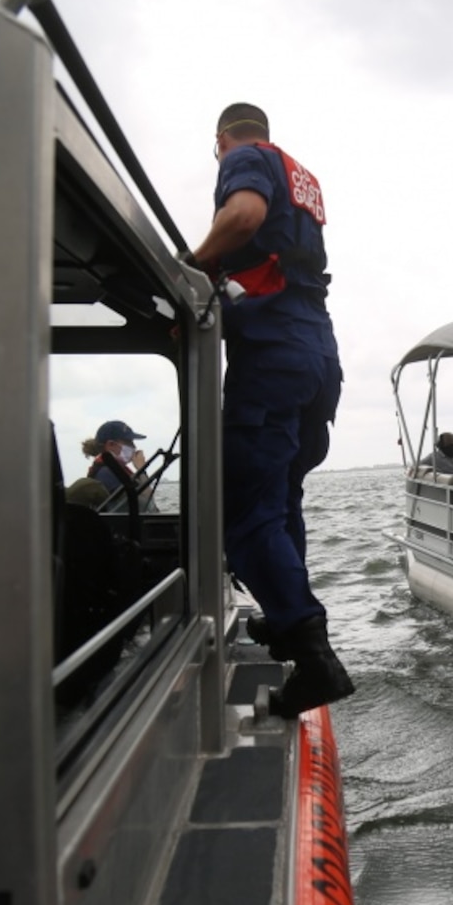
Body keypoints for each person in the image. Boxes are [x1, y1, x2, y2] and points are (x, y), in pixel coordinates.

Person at [186, 102, 352, 718]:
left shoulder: (248, 158)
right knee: (282, 504)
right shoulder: (301, 176)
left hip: (274, 355)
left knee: (248, 515)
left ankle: (313, 659)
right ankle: (286, 627)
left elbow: (245, 214)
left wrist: (197, 263)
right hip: (317, 355)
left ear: (222, 139)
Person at [80, 419, 148, 505]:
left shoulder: (116, 470)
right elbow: (144, 505)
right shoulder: (107, 474)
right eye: (129, 442)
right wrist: (142, 470)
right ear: (111, 445)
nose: (134, 446)